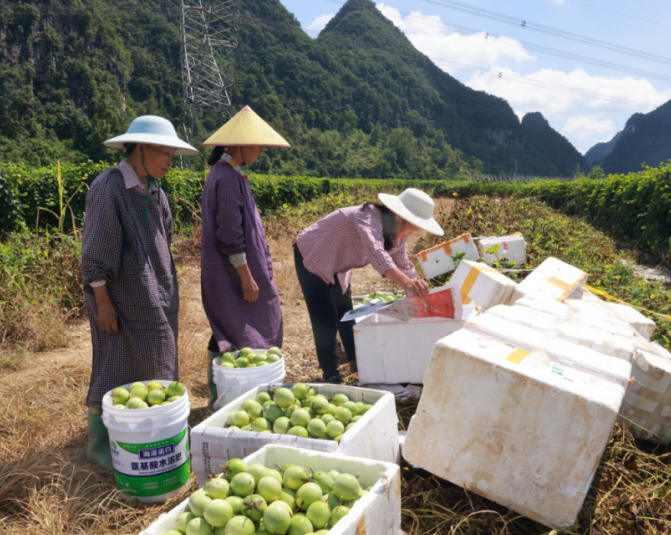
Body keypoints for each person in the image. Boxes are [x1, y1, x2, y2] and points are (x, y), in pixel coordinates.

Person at [81, 115, 197, 468]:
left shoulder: (154, 190)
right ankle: (102, 448)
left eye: (172, 155)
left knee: (158, 359)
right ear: (141, 149)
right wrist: (103, 302)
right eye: (164, 153)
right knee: (115, 365)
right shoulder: (109, 188)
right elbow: (96, 251)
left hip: (153, 294)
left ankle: (148, 434)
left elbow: (163, 239)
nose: (169, 161)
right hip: (120, 297)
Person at [294, 188, 443, 383]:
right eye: (413, 227)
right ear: (399, 216)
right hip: (314, 254)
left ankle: (359, 362)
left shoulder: (397, 232)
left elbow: (402, 260)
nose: (413, 232)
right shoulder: (366, 217)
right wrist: (407, 284)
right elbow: (377, 253)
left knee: (346, 314)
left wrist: (415, 289)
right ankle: (331, 374)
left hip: (339, 264)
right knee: (325, 319)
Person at [199, 106, 290, 409]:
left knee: (230, 328)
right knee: (236, 328)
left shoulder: (232, 174)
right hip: (231, 274)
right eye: (259, 144)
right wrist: (247, 277)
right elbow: (229, 233)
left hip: (239, 271)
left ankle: (226, 393)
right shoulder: (224, 177)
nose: (262, 150)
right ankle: (228, 395)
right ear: (239, 144)